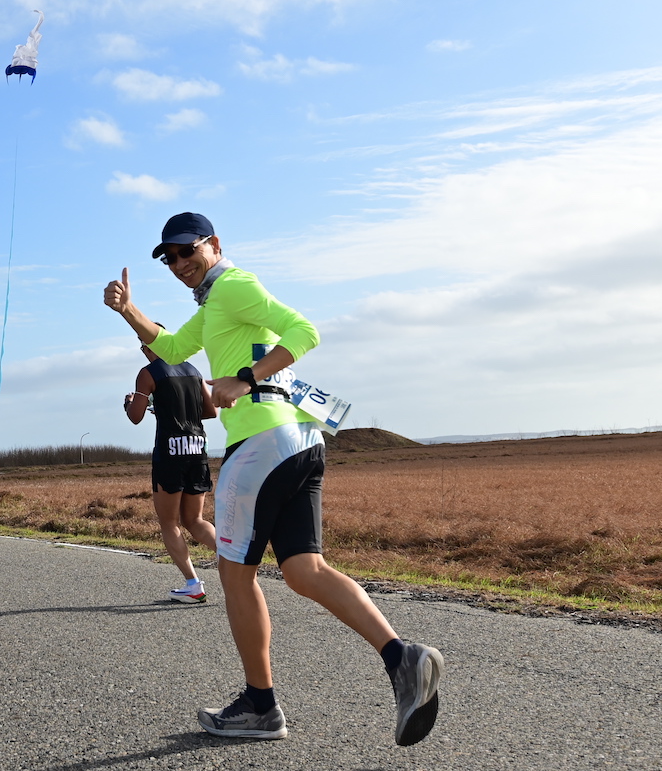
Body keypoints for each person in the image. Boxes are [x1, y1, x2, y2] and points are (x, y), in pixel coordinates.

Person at [104, 212, 444, 746]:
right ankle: (403, 659)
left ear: (213, 245)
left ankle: (260, 706)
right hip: (299, 442)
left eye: (185, 251)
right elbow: (171, 349)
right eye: (168, 257)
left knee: (235, 574)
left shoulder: (235, 286)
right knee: (306, 571)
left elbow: (305, 331)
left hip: (261, 448)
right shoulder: (216, 303)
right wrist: (128, 311)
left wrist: (243, 379)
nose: (177, 263)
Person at [124, 339, 219, 602]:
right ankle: (235, 562)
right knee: (195, 520)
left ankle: (193, 584)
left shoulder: (148, 373)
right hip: (198, 448)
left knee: (169, 522)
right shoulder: (193, 370)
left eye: (143, 347)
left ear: (148, 347)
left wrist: (131, 402)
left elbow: (135, 416)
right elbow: (210, 412)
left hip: (170, 453)